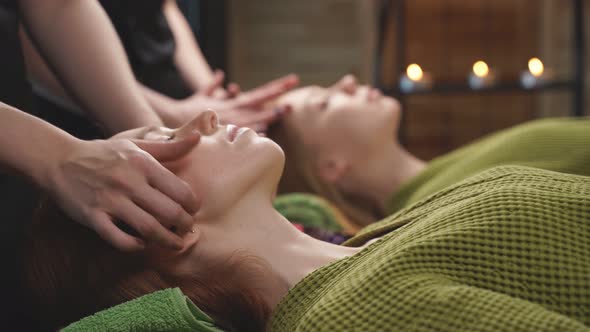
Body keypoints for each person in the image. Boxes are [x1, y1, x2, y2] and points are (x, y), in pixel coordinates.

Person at [24, 111, 590, 331]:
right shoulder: (350, 315)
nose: (204, 116)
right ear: (151, 226)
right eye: (167, 141)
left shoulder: (380, 242)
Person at [268, 75, 590, 228]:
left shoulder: (445, 173)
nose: (348, 82)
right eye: (324, 103)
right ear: (331, 165)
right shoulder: (441, 208)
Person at [19, 0, 299, 133]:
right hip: (84, 118)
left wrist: (209, 97)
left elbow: (164, 7)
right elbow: (46, 19)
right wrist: (161, 120)